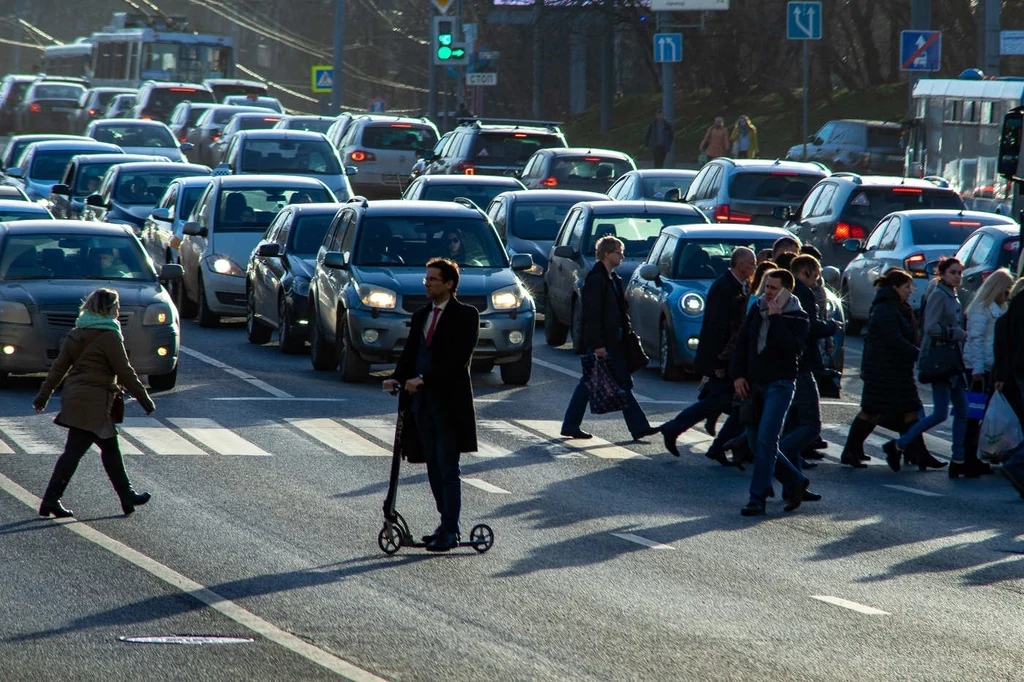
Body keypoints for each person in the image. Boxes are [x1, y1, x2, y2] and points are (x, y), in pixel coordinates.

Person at [383, 258, 479, 552]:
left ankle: (451, 530)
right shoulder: (421, 314)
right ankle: (446, 523)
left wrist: (423, 378)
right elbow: (411, 353)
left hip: (449, 404)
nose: (427, 284)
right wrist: (397, 377)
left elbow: (457, 359)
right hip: (421, 405)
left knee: (448, 468)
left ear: (449, 284)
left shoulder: (466, 316)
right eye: (426, 279)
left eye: (433, 280)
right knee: (433, 467)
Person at [33, 288, 156, 518]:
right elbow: (125, 371)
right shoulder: (109, 335)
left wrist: (43, 396)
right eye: (116, 307)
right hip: (95, 402)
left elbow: (58, 368)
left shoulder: (76, 333)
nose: (118, 312)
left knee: (109, 448)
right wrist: (145, 399)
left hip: (76, 398)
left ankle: (126, 496)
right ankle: (50, 500)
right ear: (107, 309)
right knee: (75, 452)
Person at [883, 258, 982, 477]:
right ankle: (898, 444)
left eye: (959, 273)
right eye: (953, 272)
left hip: (952, 359)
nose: (957, 276)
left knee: (963, 411)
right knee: (939, 413)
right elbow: (931, 327)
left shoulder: (952, 293)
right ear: (943, 274)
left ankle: (958, 459)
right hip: (940, 360)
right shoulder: (939, 293)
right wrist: (956, 334)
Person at [730, 269, 816, 516]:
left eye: (774, 288)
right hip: (753, 384)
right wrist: (737, 375)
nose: (767, 292)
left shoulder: (798, 317)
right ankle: (795, 480)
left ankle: (757, 499)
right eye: (766, 287)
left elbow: (794, 349)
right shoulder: (756, 310)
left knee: (767, 439)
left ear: (786, 291)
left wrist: (776, 318)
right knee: (756, 442)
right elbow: (742, 344)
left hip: (780, 384)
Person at [660, 247, 755, 464]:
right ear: (740, 264)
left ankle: (714, 442)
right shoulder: (723, 287)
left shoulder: (741, 285)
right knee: (729, 402)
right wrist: (718, 361)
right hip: (721, 356)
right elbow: (716, 328)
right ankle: (678, 429)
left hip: (730, 356)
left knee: (732, 403)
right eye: (751, 263)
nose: (754, 267)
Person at [842, 268, 943, 470]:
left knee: (910, 410)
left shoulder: (896, 306)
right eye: (907, 287)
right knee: (872, 411)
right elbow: (893, 339)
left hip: (896, 369)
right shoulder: (885, 309)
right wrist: (918, 354)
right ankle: (851, 451)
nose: (911, 291)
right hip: (884, 371)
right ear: (895, 287)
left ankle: (915, 452)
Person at [561, 236, 656, 441]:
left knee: (590, 383)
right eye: (619, 252)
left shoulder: (613, 279)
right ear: (606, 254)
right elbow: (592, 316)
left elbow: (620, 312)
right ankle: (639, 427)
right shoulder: (596, 280)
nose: (622, 256)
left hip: (616, 340)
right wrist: (598, 345)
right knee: (621, 383)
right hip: (605, 343)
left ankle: (570, 424)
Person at [779, 255, 838, 474]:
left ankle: (792, 472)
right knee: (811, 424)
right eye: (815, 276)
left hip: (792, 362)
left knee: (793, 422)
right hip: (802, 364)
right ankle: (776, 456)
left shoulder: (788, 291)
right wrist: (831, 327)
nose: (816, 281)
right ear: (804, 272)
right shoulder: (802, 292)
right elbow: (810, 327)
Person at [963, 268, 1013, 459]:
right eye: (1006, 290)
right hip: (978, 368)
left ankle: (975, 454)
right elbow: (975, 338)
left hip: (990, 367)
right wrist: (977, 367)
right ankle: (966, 455)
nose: (1007, 295)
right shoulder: (981, 308)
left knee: (983, 414)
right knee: (974, 413)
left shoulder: (1000, 308)